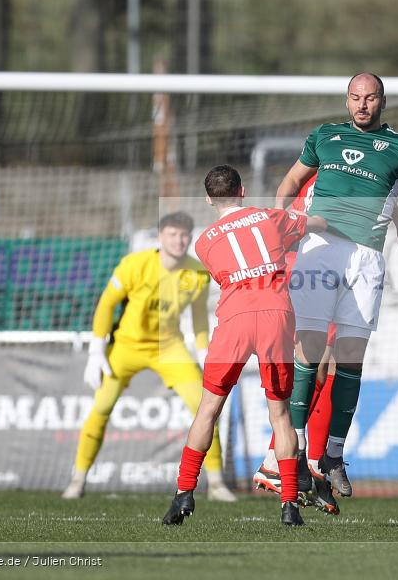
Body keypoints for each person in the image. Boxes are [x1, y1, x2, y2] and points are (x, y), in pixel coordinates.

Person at [273, 72, 398, 498]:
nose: (362, 104)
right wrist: (278, 225)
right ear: (347, 100)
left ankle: (334, 454)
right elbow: (290, 182)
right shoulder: (323, 136)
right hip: (318, 247)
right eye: (356, 97)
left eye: (371, 98)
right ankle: (298, 448)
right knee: (307, 349)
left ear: (383, 101)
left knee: (351, 357)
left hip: (366, 259)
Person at [162, 164, 327, 526]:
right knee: (280, 413)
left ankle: (184, 495)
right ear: (242, 190)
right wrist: (326, 221)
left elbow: (227, 272)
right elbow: (313, 224)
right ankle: (288, 506)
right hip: (275, 316)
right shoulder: (270, 217)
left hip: (234, 319)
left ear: (209, 199)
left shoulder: (204, 243)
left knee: (208, 409)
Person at [252, 172, 398, 515]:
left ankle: (309, 463)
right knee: (313, 362)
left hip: (324, 260)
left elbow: (379, 195)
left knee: (324, 369)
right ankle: (279, 460)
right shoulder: (327, 168)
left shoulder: (355, 170)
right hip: (311, 262)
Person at [62, 212, 235, 503]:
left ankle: (216, 484)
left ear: (190, 239)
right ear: (159, 237)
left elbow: (199, 319)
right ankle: (77, 480)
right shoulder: (135, 264)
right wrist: (96, 349)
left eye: (183, 236)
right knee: (101, 408)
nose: (178, 241)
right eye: (172, 234)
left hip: (169, 348)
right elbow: (106, 304)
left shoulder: (196, 273)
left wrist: (205, 353)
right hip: (127, 347)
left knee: (206, 408)